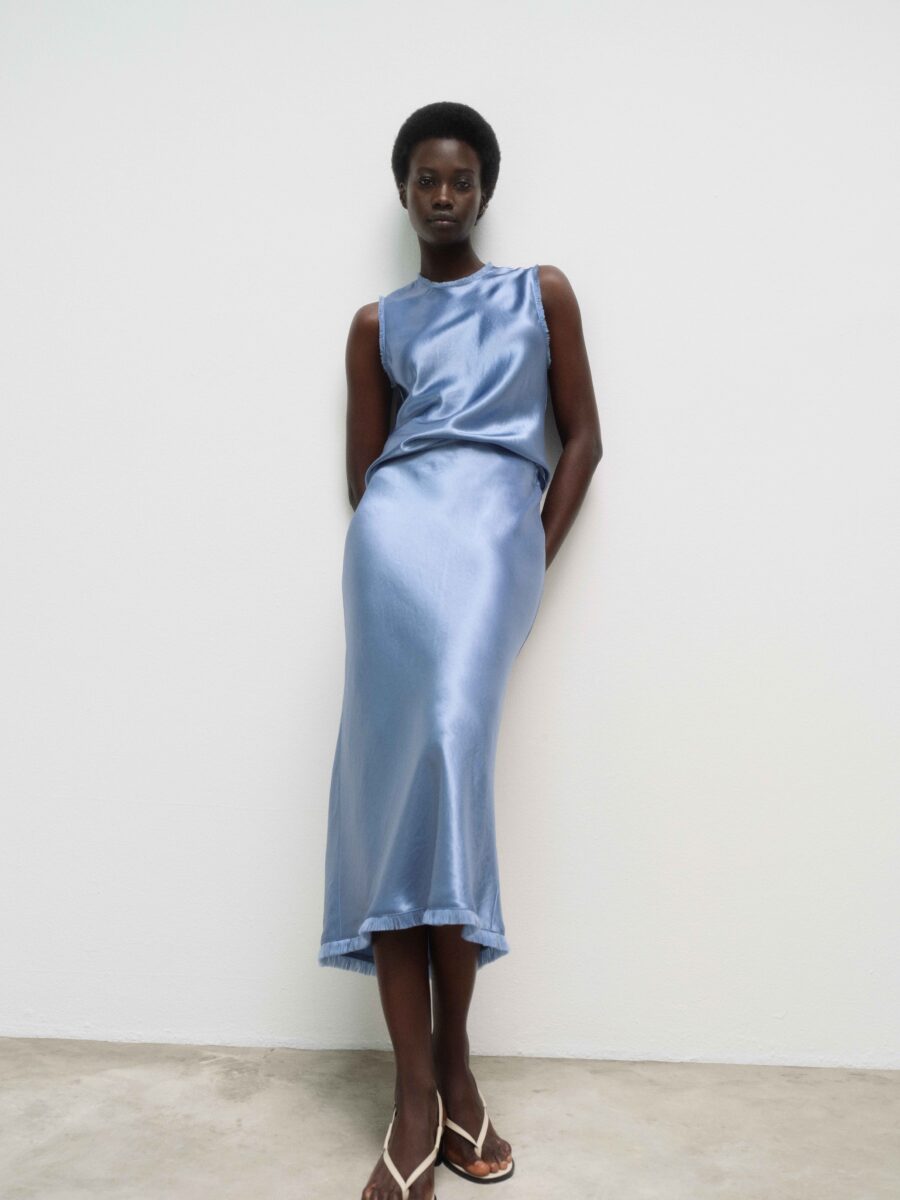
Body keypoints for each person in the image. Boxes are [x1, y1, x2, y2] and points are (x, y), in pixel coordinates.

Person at [318, 101, 603, 1200]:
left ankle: (458, 1069)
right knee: (401, 797)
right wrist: (403, 538)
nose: (444, 196)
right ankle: (420, 1096)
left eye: (462, 179)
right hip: (396, 552)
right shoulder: (372, 324)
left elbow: (583, 437)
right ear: (404, 191)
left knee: (447, 758)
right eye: (426, 180)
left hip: (492, 544)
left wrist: (525, 551)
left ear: (484, 189)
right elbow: (366, 475)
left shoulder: (539, 293)